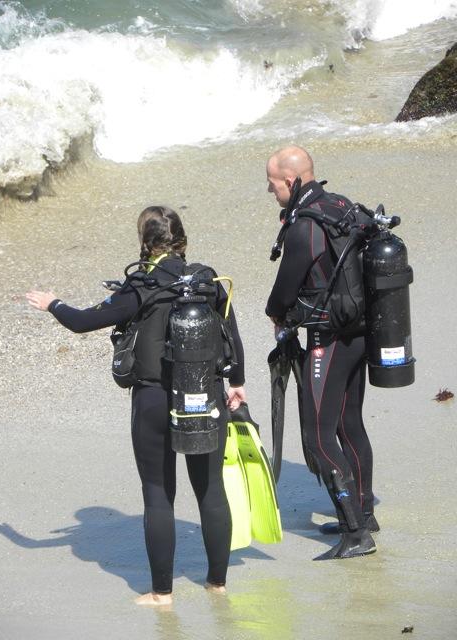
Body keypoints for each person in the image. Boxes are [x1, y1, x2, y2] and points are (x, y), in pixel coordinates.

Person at [26, 205, 246, 604]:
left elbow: (81, 321)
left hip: (154, 398)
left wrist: (52, 303)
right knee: (211, 491)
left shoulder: (140, 286)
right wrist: (237, 384)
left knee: (158, 492)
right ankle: (218, 583)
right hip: (205, 394)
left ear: (146, 242)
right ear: (181, 238)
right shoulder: (207, 280)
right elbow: (231, 334)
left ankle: (162, 594)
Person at [265, 146, 378, 560]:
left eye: (273, 184)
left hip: (327, 342)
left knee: (317, 436)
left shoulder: (304, 228)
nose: (271, 191)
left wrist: (274, 315)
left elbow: (285, 289)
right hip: (360, 333)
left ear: (291, 182)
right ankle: (364, 514)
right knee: (349, 424)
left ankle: (355, 534)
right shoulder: (341, 205)